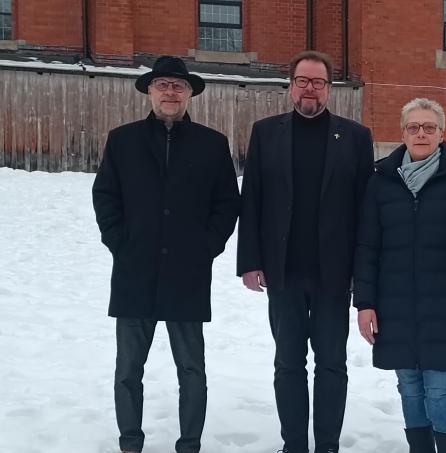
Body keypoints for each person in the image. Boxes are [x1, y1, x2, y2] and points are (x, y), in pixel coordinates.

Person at [92, 55, 240, 453]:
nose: (170, 92)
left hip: (187, 274)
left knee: (192, 370)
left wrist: (207, 248)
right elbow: (105, 196)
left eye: (178, 85)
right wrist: (120, 243)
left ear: (190, 93)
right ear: (150, 91)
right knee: (128, 371)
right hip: (134, 270)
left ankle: (189, 443)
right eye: (163, 85)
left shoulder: (212, 144)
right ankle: (130, 442)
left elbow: (227, 204)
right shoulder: (122, 140)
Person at [236, 50, 375, 453]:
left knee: (332, 364)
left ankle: (327, 444)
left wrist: (362, 271)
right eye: (302, 81)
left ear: (329, 89)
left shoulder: (355, 137)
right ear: (291, 86)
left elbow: (366, 209)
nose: (309, 89)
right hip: (284, 272)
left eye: (318, 82)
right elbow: (253, 200)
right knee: (288, 364)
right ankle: (294, 443)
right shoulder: (266, 132)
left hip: (335, 273)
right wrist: (250, 261)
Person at [353, 98, 446, 453]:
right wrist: (365, 304)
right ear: (402, 133)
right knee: (409, 385)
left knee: (441, 386)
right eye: (414, 127)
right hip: (395, 305)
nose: (421, 133)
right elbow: (366, 247)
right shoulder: (382, 182)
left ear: (442, 133)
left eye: (429, 127)